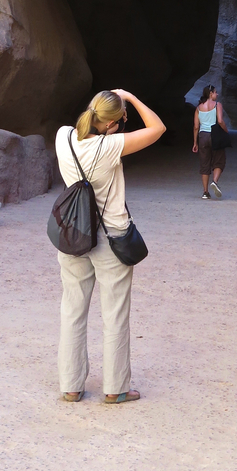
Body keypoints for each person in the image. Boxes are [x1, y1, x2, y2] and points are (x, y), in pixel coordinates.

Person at [55, 89, 165, 404]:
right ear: (113, 123)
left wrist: (112, 111)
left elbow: (82, 126)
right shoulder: (110, 145)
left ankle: (71, 385)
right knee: (114, 313)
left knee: (72, 309)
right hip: (110, 238)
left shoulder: (63, 137)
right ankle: (115, 388)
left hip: (74, 233)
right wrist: (129, 97)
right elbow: (157, 128)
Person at [192, 85, 228, 199]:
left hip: (203, 136)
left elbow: (196, 127)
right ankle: (215, 182)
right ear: (210, 93)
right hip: (215, 135)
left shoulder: (198, 108)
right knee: (219, 160)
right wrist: (226, 132)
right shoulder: (217, 105)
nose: (217, 95)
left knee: (204, 163)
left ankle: (205, 192)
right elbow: (220, 121)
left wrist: (195, 143)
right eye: (215, 93)